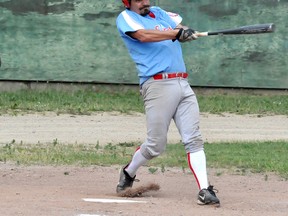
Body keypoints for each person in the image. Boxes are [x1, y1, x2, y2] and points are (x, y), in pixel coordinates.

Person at [115, 0, 220, 206]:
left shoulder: (159, 13)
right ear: (128, 3)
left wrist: (185, 31)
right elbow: (143, 35)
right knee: (155, 145)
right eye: (138, 0)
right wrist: (175, 34)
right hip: (157, 85)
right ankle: (128, 172)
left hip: (182, 83)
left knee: (194, 139)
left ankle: (204, 190)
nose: (145, 2)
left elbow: (178, 28)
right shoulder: (125, 18)